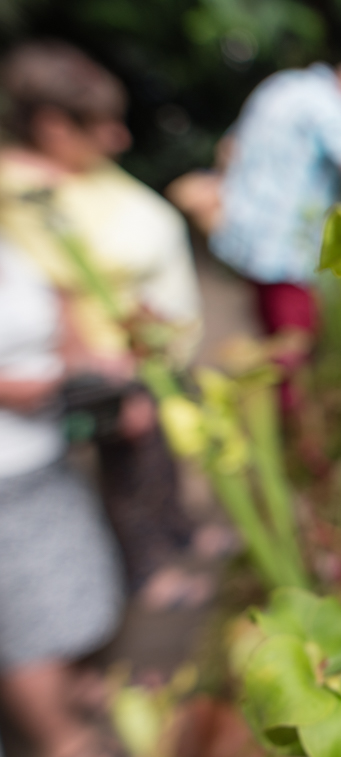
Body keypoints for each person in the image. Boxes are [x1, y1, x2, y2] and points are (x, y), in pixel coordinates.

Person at [0, 40, 202, 592]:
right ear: (53, 127)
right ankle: (153, 572)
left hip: (147, 349)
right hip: (110, 359)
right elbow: (51, 289)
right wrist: (102, 373)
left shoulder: (76, 173)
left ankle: (180, 535)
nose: (120, 137)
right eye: (102, 125)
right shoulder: (22, 190)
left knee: (161, 455)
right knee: (132, 466)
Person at [207, 59, 341, 410]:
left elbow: (228, 148)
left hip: (249, 235)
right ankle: (291, 437)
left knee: (273, 336)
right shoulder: (328, 104)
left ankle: (278, 421)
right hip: (286, 246)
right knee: (294, 349)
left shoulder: (282, 84)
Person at [0, 237, 124, 757]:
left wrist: (86, 365)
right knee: (23, 612)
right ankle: (58, 738)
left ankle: (73, 689)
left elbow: (55, 306)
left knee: (68, 575)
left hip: (46, 455)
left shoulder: (11, 244)